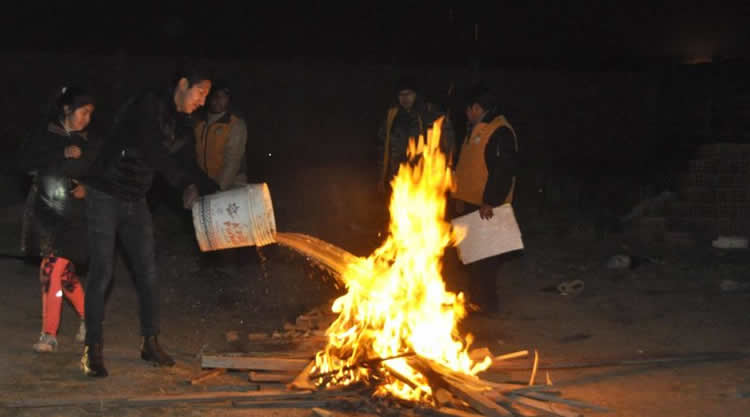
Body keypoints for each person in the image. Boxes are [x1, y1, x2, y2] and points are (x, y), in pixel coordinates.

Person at [78, 64, 211, 377]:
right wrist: (181, 184)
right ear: (182, 84)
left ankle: (150, 343)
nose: (203, 101)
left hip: (135, 200)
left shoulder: (183, 124)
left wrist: (211, 189)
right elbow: (153, 151)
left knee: (149, 271)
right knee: (102, 272)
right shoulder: (147, 104)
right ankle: (92, 351)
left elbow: (188, 163)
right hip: (105, 193)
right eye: (200, 92)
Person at [18, 86, 98, 352]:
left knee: (50, 269)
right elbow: (25, 162)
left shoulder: (89, 142)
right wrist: (60, 155)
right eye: (83, 112)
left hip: (73, 217)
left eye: (90, 114)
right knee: (63, 276)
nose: (87, 118)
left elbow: (100, 175)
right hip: (45, 211)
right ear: (67, 109)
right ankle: (90, 318)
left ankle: (49, 333)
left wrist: (88, 188)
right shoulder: (45, 134)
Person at [449, 84, 520, 314]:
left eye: (469, 109)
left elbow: (503, 170)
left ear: (477, 108)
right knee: (472, 259)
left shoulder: (500, 131)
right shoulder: (475, 128)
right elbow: (468, 165)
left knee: (487, 261)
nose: (466, 113)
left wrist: (491, 201)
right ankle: (476, 302)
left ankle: (488, 307)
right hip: (470, 204)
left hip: (488, 207)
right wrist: (458, 195)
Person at [376, 75, 455, 193]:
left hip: (425, 178)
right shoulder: (391, 117)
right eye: (401, 95)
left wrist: (447, 168)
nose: (405, 98)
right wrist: (382, 176)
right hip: (398, 178)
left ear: (416, 94)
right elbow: (382, 147)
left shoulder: (430, 113)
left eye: (408, 94)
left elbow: (448, 143)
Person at [194, 80, 248, 191]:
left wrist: (219, 188)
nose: (219, 100)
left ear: (229, 100)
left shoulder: (235, 124)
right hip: (205, 183)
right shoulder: (199, 122)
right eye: (216, 95)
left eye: (224, 96)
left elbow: (232, 160)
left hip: (231, 183)